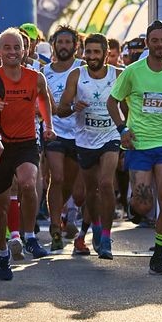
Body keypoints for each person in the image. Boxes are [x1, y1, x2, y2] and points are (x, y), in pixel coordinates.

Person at [107, 20, 162, 275]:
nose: (159, 45)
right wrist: (122, 129)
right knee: (144, 205)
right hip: (139, 145)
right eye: (155, 41)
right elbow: (112, 102)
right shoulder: (132, 72)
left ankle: (157, 257)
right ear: (147, 43)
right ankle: (133, 200)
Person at [0, 28, 53, 281]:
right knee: (1, 206)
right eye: (7, 48)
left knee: (27, 182)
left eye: (17, 48)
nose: (12, 52)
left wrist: (49, 126)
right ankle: (3, 253)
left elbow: (44, 99)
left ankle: (30, 236)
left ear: (25, 51)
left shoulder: (35, 78)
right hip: (0, 145)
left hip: (26, 142)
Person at [57, 33, 119, 258]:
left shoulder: (118, 75)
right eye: (88, 52)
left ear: (105, 54)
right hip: (84, 140)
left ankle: (106, 236)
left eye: (96, 52)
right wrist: (74, 106)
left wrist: (126, 128)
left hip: (110, 137)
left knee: (105, 184)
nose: (92, 57)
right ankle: (95, 225)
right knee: (90, 192)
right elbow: (61, 109)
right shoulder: (76, 75)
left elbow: (132, 103)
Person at [41, 26, 83, 253]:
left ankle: (63, 212)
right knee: (56, 178)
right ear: (54, 45)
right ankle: (55, 227)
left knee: (74, 189)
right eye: (60, 42)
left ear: (76, 45)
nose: (64, 46)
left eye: (68, 42)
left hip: (80, 133)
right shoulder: (44, 71)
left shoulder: (83, 70)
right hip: (54, 130)